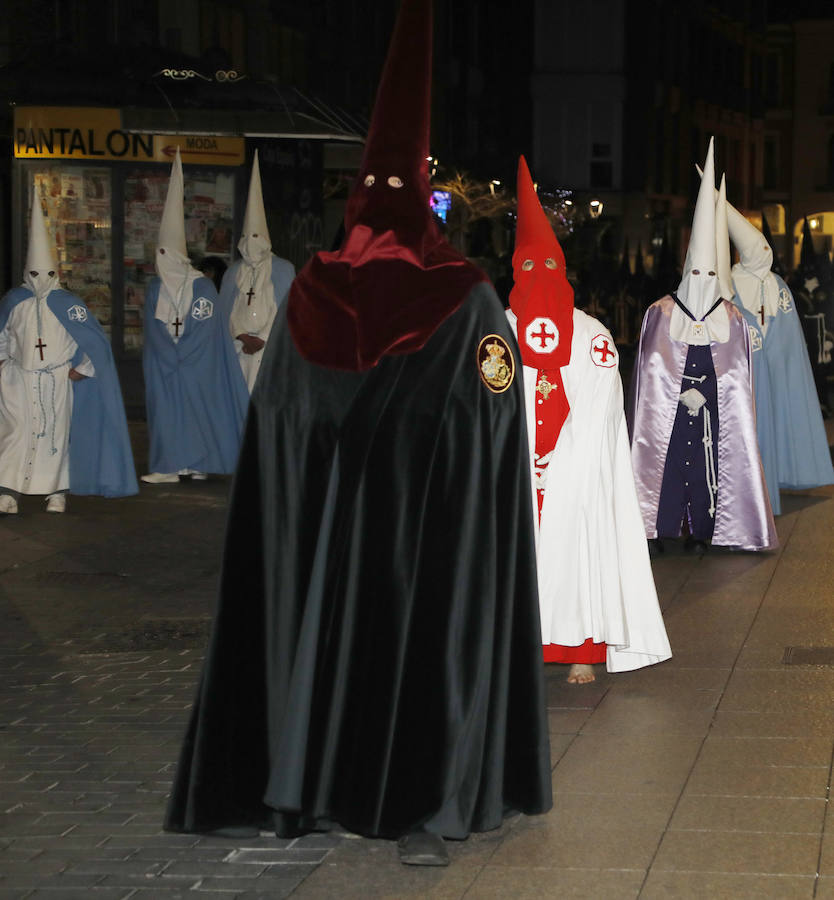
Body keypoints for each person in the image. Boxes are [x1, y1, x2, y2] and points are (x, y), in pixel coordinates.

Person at [165, 0, 551, 867]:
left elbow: (478, 414)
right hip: (393, 536)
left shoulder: (397, 295)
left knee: (375, 650)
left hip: (383, 536)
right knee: (392, 653)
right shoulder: (424, 295)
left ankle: (379, 797)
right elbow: (492, 417)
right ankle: (391, 802)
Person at [506, 156, 670, 685]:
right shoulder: (498, 328)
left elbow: (601, 400)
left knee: (576, 555)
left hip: (571, 471)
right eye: (529, 270)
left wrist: (561, 457)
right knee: (518, 559)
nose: (540, 280)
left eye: (548, 268)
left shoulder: (591, 332)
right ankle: (519, 645)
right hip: (516, 465)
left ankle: (582, 649)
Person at [629, 140, 777, 554]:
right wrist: (678, 396)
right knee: (668, 466)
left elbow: (737, 378)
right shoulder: (660, 312)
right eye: (694, 270)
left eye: (707, 271)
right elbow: (647, 375)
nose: (700, 277)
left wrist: (705, 394)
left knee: (706, 470)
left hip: (709, 412)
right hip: (669, 415)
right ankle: (657, 527)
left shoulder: (731, 317)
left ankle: (703, 530)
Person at [0, 191, 137, 514]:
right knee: (15, 433)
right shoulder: (14, 301)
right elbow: (3, 335)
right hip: (18, 380)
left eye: (45, 274)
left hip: (56, 380)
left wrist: (83, 369)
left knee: (55, 435)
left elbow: (92, 341)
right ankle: (8, 491)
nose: (39, 281)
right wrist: (3, 362)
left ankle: (56, 491)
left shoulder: (69, 303)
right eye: (34, 274)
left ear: (56, 273)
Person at [718, 183, 834, 511]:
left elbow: (787, 329)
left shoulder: (778, 284)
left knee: (772, 428)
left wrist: (780, 357)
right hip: (744, 371)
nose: (763, 253)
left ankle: (772, 482)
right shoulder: (728, 283)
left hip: (775, 366)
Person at [141, 149, 249, 484]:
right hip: (165, 362)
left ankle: (195, 463)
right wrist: (168, 354)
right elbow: (152, 325)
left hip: (195, 361)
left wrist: (183, 354)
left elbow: (205, 327)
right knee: (168, 413)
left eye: (165, 254)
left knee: (197, 411)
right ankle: (169, 466)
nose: (161, 261)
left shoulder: (202, 287)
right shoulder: (156, 288)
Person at [218, 150, 295, 392]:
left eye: (256, 237)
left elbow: (286, 308)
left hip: (269, 349)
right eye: (247, 238)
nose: (251, 243)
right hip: (238, 348)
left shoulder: (283, 270)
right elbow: (226, 309)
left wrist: (261, 337)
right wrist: (242, 336)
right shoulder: (233, 273)